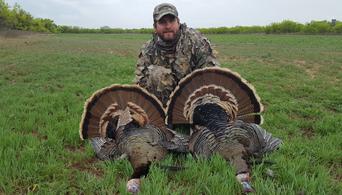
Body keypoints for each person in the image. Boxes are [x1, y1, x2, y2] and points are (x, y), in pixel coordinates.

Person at [135, 3, 220, 107]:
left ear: (178, 22)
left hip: (194, 101)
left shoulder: (197, 41)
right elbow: (141, 83)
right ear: (155, 27)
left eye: (172, 21)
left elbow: (211, 75)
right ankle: (165, 116)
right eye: (162, 22)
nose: (168, 26)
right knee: (156, 73)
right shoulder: (148, 49)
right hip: (163, 107)